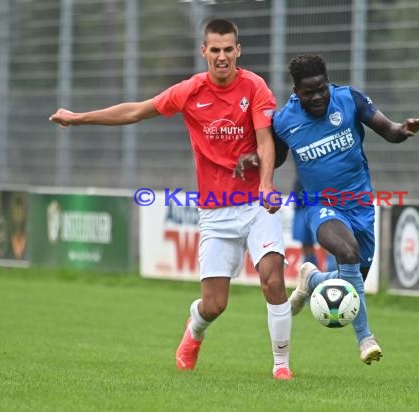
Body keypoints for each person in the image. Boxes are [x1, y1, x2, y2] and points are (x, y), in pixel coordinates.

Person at [49, 19, 293, 380]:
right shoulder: (190, 91)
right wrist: (79, 118)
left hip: (258, 205)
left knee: (273, 280)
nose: (222, 56)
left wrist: (267, 184)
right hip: (215, 210)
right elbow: (136, 111)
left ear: (238, 50)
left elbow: (264, 140)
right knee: (214, 305)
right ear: (204, 51)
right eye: (215, 50)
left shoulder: (255, 87)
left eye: (229, 49)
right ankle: (194, 330)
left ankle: (281, 366)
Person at [236, 54, 419, 364]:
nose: (317, 97)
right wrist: (255, 159)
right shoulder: (285, 121)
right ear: (296, 91)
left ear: (328, 83)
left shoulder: (349, 99)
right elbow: (279, 157)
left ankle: (311, 280)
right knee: (347, 253)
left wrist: (403, 129)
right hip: (319, 206)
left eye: (321, 89)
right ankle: (366, 338)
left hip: (361, 205)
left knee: (354, 280)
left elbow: (388, 130)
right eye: (308, 92)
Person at [291, 175, 337, 271]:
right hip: (301, 199)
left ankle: (332, 278)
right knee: (305, 241)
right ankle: (310, 278)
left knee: (327, 242)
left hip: (322, 199)